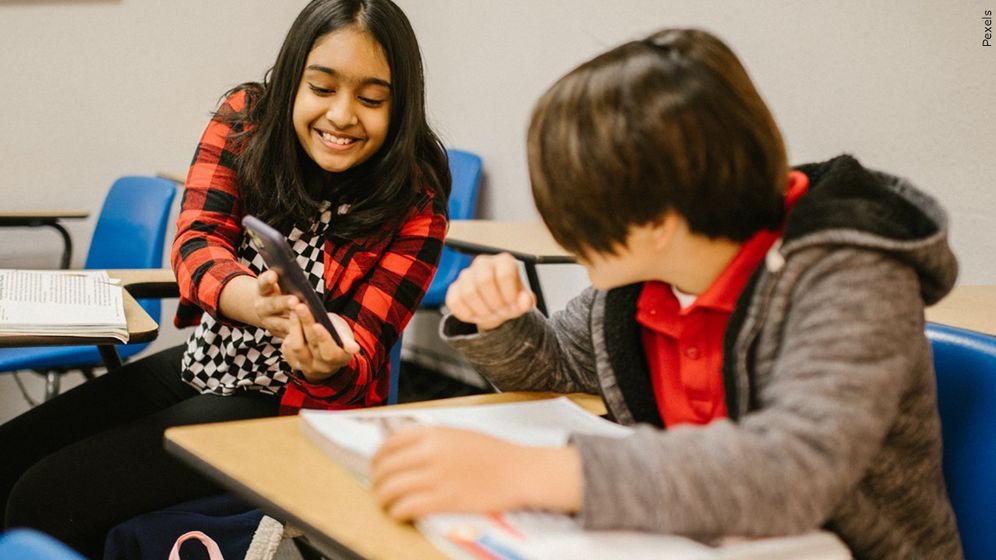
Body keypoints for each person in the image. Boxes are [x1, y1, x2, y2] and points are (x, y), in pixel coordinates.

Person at [369, 28, 963, 559]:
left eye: (569, 207)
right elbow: (559, 365)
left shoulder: (848, 276)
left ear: (656, 220)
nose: (559, 229)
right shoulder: (643, 280)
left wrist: (535, 473)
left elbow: (793, 469)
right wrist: (495, 323)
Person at [0, 0, 449, 556]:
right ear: (292, 80)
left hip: (296, 408)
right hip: (207, 361)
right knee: (10, 458)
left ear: (400, 105)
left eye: (372, 99)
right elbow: (196, 240)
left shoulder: (416, 198)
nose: (341, 116)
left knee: (44, 499)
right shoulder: (246, 120)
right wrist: (251, 303)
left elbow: (367, 346)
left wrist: (333, 357)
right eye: (322, 88)